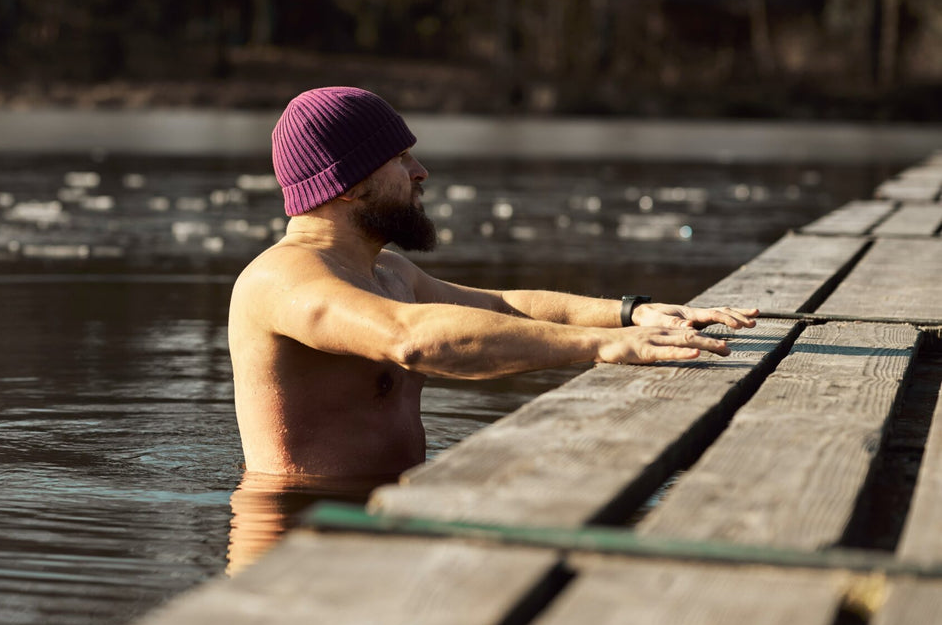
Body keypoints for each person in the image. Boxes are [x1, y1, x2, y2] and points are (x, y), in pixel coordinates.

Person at [228, 86, 759, 481]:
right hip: (299, 547)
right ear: (348, 185)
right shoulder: (280, 280)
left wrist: (632, 315)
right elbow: (410, 338)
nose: (421, 172)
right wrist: (599, 346)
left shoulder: (388, 273)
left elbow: (502, 304)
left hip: (382, 522)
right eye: (399, 159)